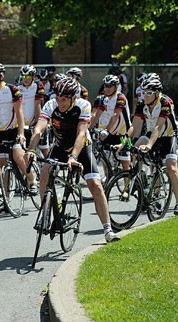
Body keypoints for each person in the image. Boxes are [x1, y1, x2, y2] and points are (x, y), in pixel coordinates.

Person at [27, 77, 120, 242]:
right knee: (44, 173)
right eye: (58, 98)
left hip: (82, 147)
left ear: (73, 98)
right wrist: (32, 149)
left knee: (95, 185)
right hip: (60, 146)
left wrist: (73, 157)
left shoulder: (83, 105)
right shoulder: (51, 105)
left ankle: (107, 229)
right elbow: (39, 129)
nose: (60, 103)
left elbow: (81, 133)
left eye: (64, 99)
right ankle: (46, 213)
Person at [125, 73, 178, 214]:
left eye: (149, 93)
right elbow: (135, 126)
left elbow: (158, 126)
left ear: (157, 93)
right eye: (143, 92)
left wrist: (149, 145)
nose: (145, 96)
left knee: (171, 168)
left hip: (168, 135)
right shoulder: (141, 103)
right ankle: (146, 187)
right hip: (151, 135)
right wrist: (123, 142)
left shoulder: (165, 102)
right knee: (134, 151)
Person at [0, 63, 35, 212]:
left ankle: (32, 181)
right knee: (2, 164)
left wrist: (20, 133)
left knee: (18, 157)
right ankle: (6, 199)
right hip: (0, 132)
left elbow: (19, 112)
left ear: (1, 76)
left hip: (15, 129)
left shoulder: (12, 90)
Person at [90, 74, 132, 173]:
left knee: (125, 162)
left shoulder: (120, 97)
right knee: (105, 159)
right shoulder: (103, 98)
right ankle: (108, 178)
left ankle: (129, 185)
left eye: (110, 86)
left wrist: (106, 130)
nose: (107, 88)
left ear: (116, 87)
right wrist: (89, 127)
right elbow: (96, 114)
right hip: (108, 133)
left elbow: (115, 115)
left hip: (123, 134)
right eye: (105, 86)